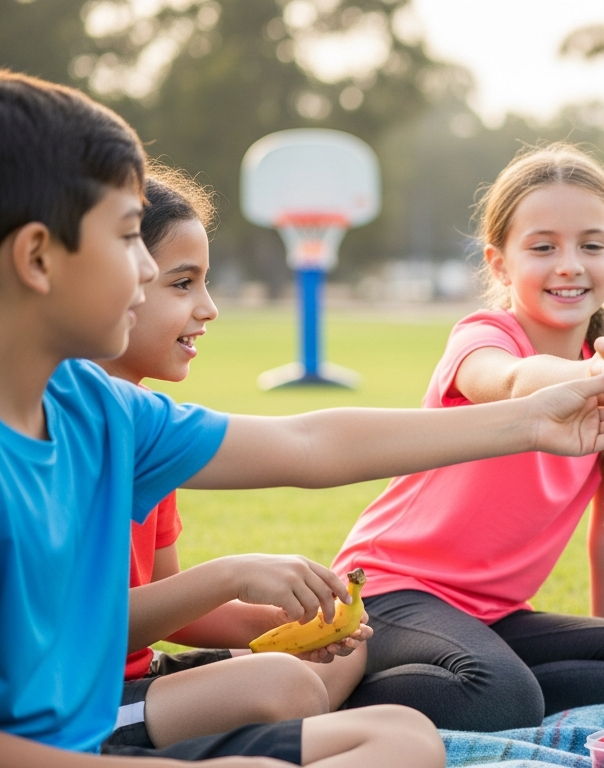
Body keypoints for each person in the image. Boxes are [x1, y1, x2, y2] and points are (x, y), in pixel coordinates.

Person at [0, 69, 604, 766]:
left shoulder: (97, 408)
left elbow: (310, 443)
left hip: (97, 720)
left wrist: (531, 421)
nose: (144, 269)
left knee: (402, 738)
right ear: (37, 256)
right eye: (129, 239)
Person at [334, 144, 604, 731]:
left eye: (590, 244)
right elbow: (507, 381)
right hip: (389, 593)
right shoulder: (485, 337)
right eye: (542, 247)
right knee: (496, 692)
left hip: (495, 618)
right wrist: (588, 379)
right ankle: (330, 684)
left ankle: (495, 690)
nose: (569, 264)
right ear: (500, 264)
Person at [97, 164, 373, 752]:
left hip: (141, 678)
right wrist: (233, 573)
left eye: (205, 282)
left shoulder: (149, 419)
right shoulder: (68, 425)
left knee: (335, 661)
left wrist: (276, 624)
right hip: (79, 701)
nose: (209, 308)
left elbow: (169, 606)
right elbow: (87, 629)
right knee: (286, 687)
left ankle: (271, 731)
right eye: (182, 284)